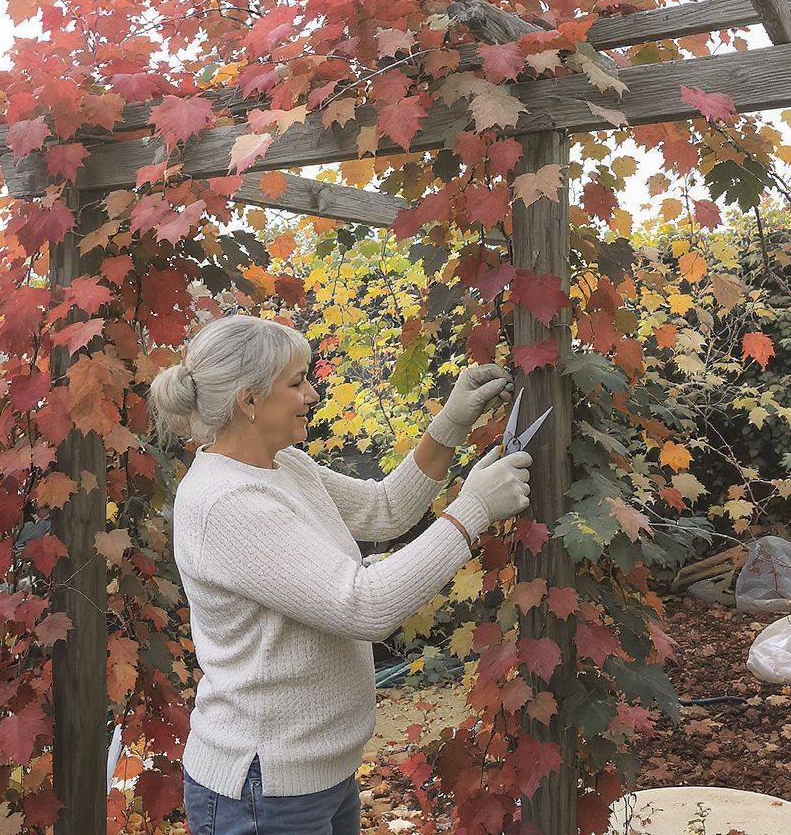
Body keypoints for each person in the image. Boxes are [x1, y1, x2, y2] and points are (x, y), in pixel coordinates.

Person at [149, 314, 533, 835]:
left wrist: (450, 423)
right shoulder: (227, 503)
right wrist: (473, 510)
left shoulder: (284, 464)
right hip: (263, 789)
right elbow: (365, 605)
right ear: (249, 400)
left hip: (316, 774)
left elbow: (384, 508)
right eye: (296, 383)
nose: (312, 394)